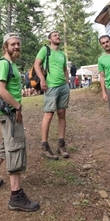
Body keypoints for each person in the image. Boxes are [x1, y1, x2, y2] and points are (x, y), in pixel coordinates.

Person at [0, 33, 40, 212]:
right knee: (14, 148)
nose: (16, 47)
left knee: (5, 146)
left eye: (18, 44)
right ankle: (16, 196)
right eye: (13, 44)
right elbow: (0, 90)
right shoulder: (3, 64)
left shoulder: (11, 64)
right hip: (9, 112)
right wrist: (18, 107)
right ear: (5, 47)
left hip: (9, 112)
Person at [34, 31, 70, 160]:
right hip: (51, 86)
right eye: (55, 35)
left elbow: (65, 69)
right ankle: (44, 146)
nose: (58, 36)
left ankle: (61, 145)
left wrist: (67, 82)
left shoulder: (61, 54)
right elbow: (36, 64)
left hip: (63, 87)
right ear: (49, 39)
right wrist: (42, 79)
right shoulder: (45, 50)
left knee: (62, 113)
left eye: (59, 35)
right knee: (48, 114)